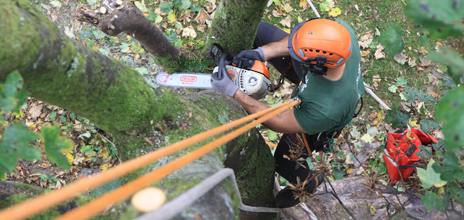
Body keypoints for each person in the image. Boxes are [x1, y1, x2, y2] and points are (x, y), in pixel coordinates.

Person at [210, 18, 364, 208]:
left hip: (319, 115)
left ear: (316, 65)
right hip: (315, 80)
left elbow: (279, 120)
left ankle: (310, 181)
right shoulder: (338, 33)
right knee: (254, 29)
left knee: (284, 161)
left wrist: (234, 93)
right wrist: (260, 52)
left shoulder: (326, 110)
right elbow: (297, 41)